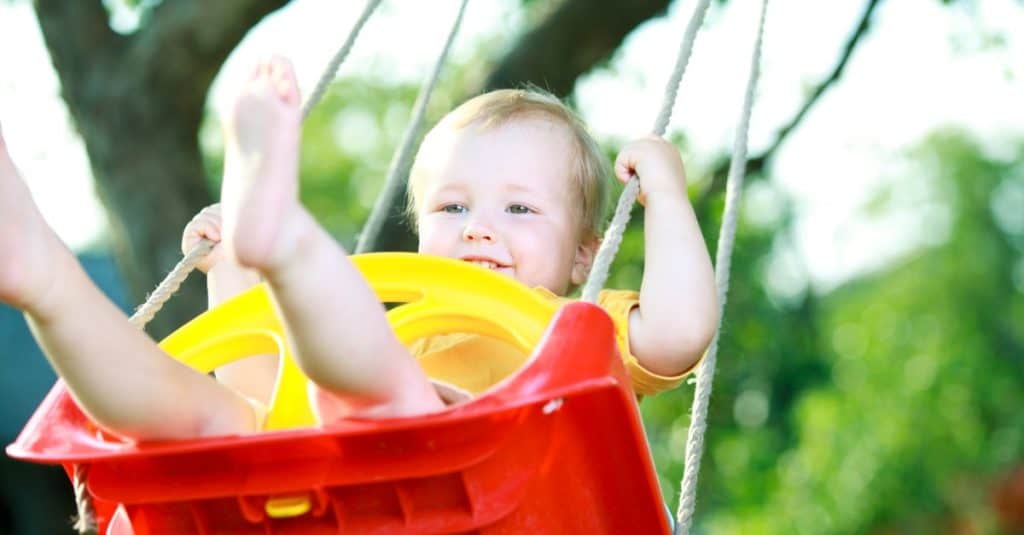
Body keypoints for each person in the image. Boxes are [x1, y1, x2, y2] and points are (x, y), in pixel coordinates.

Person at [0, 57, 717, 441]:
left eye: (520, 208)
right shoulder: (379, 326)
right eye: (452, 205)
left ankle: (281, 237)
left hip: (473, 474)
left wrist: (669, 198)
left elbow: (683, 330)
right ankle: (45, 279)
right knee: (211, 419)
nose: (478, 226)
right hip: (322, 481)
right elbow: (253, 382)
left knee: (374, 391)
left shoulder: (581, 330)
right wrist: (231, 275)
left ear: (584, 258)